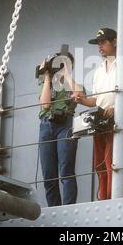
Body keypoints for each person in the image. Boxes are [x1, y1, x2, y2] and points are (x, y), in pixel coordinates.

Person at [75, 28, 123, 200]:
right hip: (101, 120)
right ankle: (103, 200)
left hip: (120, 120)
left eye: (103, 42)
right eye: (98, 43)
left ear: (115, 42)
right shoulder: (98, 70)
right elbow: (96, 100)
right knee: (100, 165)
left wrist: (117, 108)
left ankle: (113, 200)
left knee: (112, 162)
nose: (99, 47)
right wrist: (81, 100)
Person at [37, 51, 84, 206]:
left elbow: (80, 94)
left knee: (66, 170)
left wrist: (67, 74)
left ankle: (68, 207)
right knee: (49, 175)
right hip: (46, 125)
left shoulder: (73, 84)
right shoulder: (46, 84)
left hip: (65, 124)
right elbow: (45, 104)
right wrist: (47, 76)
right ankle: (53, 209)